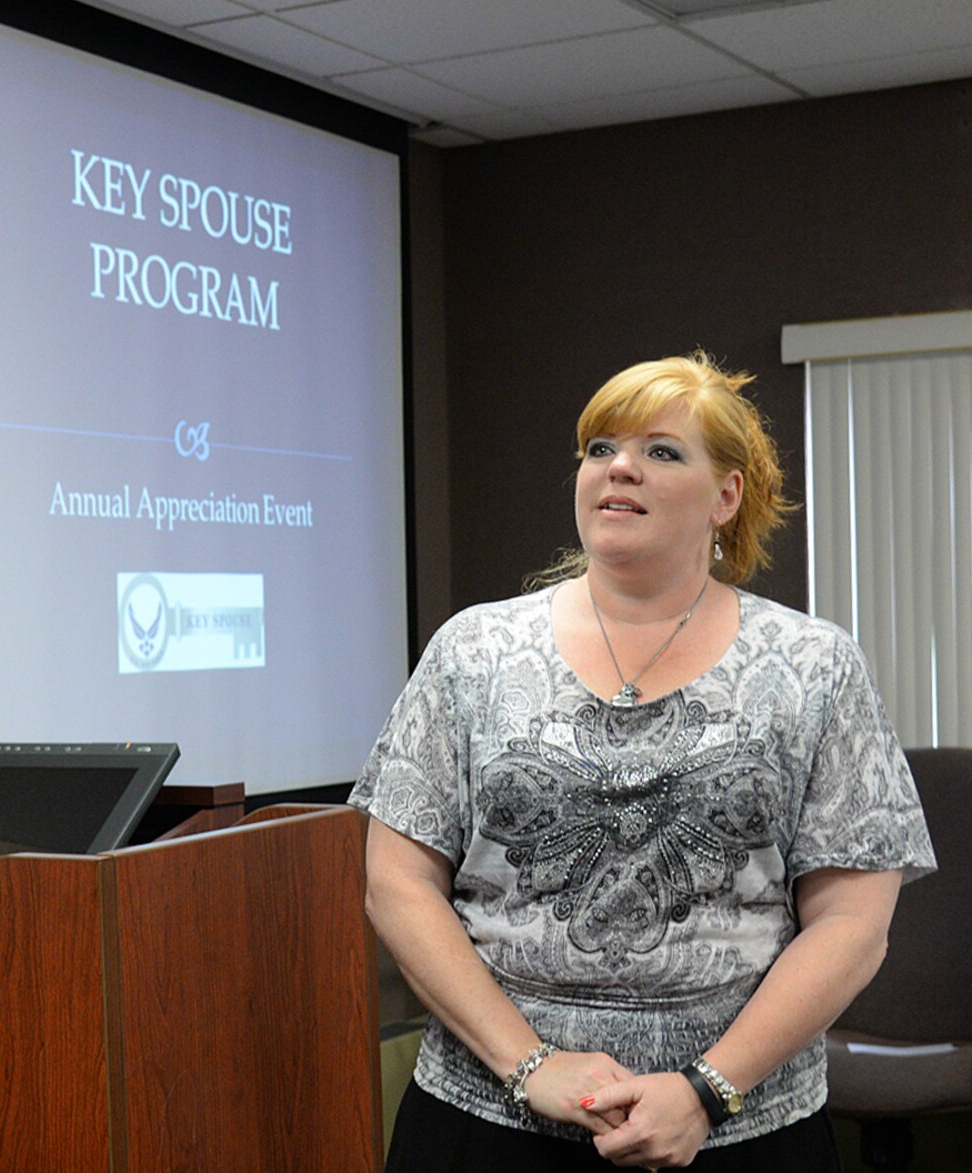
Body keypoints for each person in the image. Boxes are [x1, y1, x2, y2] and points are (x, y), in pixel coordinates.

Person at [352, 353, 935, 1171]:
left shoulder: (815, 665)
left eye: (662, 451)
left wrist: (705, 1088)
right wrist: (531, 1065)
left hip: (740, 1128)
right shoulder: (473, 651)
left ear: (726, 496)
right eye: (600, 448)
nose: (619, 465)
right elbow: (398, 883)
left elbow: (852, 924)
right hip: (485, 1118)